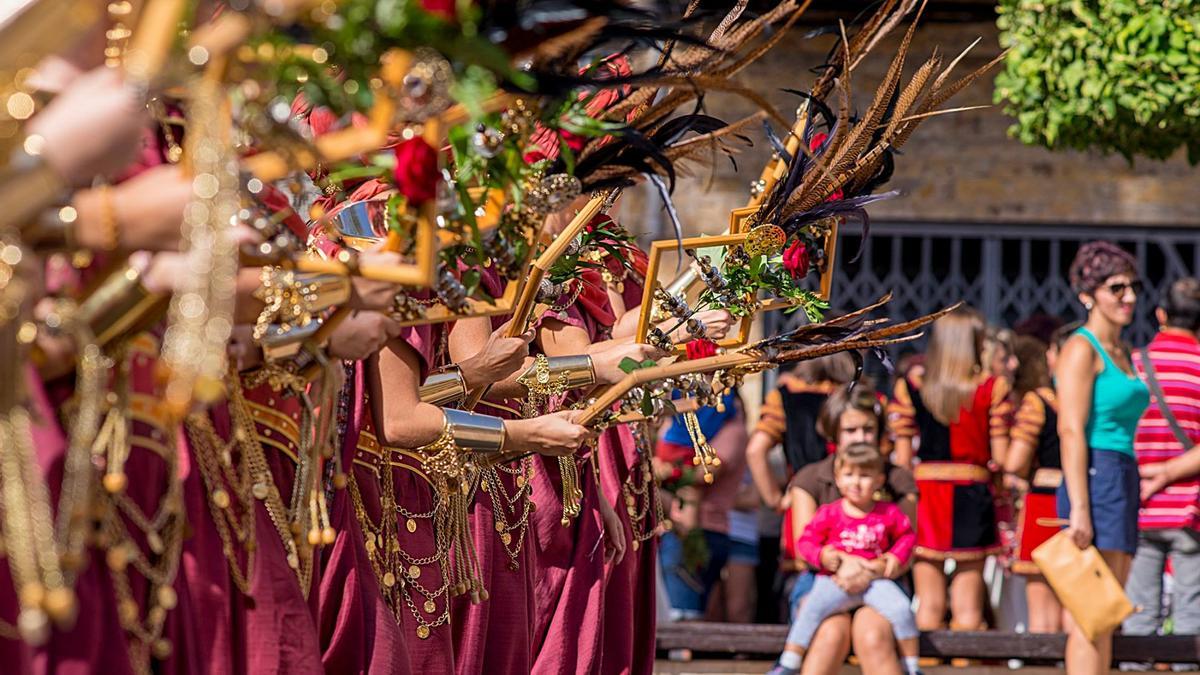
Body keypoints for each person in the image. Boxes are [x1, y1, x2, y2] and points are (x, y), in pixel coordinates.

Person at [1056, 241, 1149, 673]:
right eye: (1117, 288)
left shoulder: (1122, 350)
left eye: (1133, 287)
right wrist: (1079, 508)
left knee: (1107, 612)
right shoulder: (1082, 347)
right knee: (1089, 614)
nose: (1129, 296)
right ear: (1088, 293)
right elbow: (1070, 429)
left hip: (1121, 474)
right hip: (1095, 474)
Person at [889, 306, 1011, 633]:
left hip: (926, 498)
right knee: (968, 609)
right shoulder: (991, 388)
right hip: (973, 497)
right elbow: (1001, 457)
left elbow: (902, 460)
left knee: (928, 605)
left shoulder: (911, 387)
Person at [783, 386, 917, 675]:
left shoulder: (897, 479)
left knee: (873, 635)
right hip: (821, 579)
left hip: (882, 580)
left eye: (868, 429)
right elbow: (803, 550)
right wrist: (844, 567)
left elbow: (907, 549)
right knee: (831, 633)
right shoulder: (810, 477)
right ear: (834, 433)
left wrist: (869, 571)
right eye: (851, 430)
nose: (861, 438)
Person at [1125, 277, 1200, 639]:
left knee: (1137, 607)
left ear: (1160, 314)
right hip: (1191, 508)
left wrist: (1149, 473)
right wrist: (1171, 472)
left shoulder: (1133, 366)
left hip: (1138, 501)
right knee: (1191, 611)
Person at [656, 390, 748, 621]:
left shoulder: (732, 431)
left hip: (704, 531)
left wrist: (667, 470)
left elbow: (702, 475)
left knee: (685, 613)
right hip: (668, 527)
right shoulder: (677, 424)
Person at [1004, 334, 1063, 633]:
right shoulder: (1091, 399)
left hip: (1043, 503)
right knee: (1074, 604)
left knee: (1041, 611)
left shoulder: (1037, 402)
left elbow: (1014, 462)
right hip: (1082, 503)